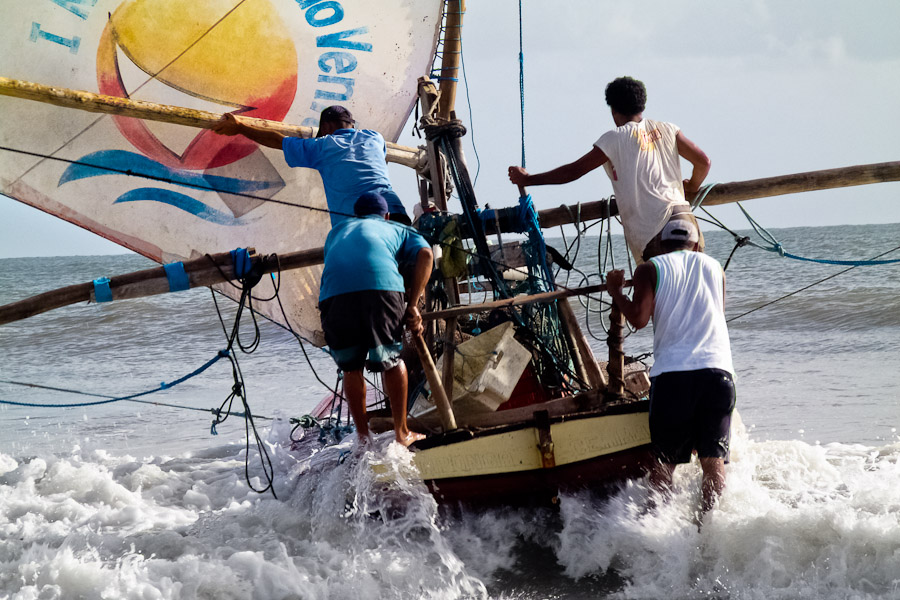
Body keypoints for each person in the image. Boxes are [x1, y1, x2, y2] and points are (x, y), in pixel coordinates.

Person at [605, 217, 736, 516]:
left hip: (674, 376)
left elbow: (638, 319)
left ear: (662, 245)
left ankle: (657, 532)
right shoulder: (716, 269)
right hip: (719, 374)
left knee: (663, 465)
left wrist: (616, 292)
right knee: (713, 463)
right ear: (695, 244)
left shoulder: (650, 268)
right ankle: (710, 533)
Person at [508, 76, 710, 262]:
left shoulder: (615, 138)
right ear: (642, 105)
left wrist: (528, 179)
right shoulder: (668, 129)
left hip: (655, 228)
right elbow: (703, 162)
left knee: (659, 297)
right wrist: (692, 186)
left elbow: (573, 171)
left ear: (613, 110)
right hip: (685, 219)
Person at [318, 191, 431, 447]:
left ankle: (362, 437)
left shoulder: (336, 232)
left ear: (355, 215)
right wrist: (413, 306)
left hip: (334, 296)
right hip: (380, 289)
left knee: (351, 367)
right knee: (391, 360)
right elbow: (426, 255)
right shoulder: (395, 227)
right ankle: (402, 433)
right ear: (387, 215)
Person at [214, 105, 410, 226]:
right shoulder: (374, 137)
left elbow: (278, 141)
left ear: (326, 127)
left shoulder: (324, 146)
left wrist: (239, 127)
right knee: (406, 265)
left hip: (360, 224)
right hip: (395, 212)